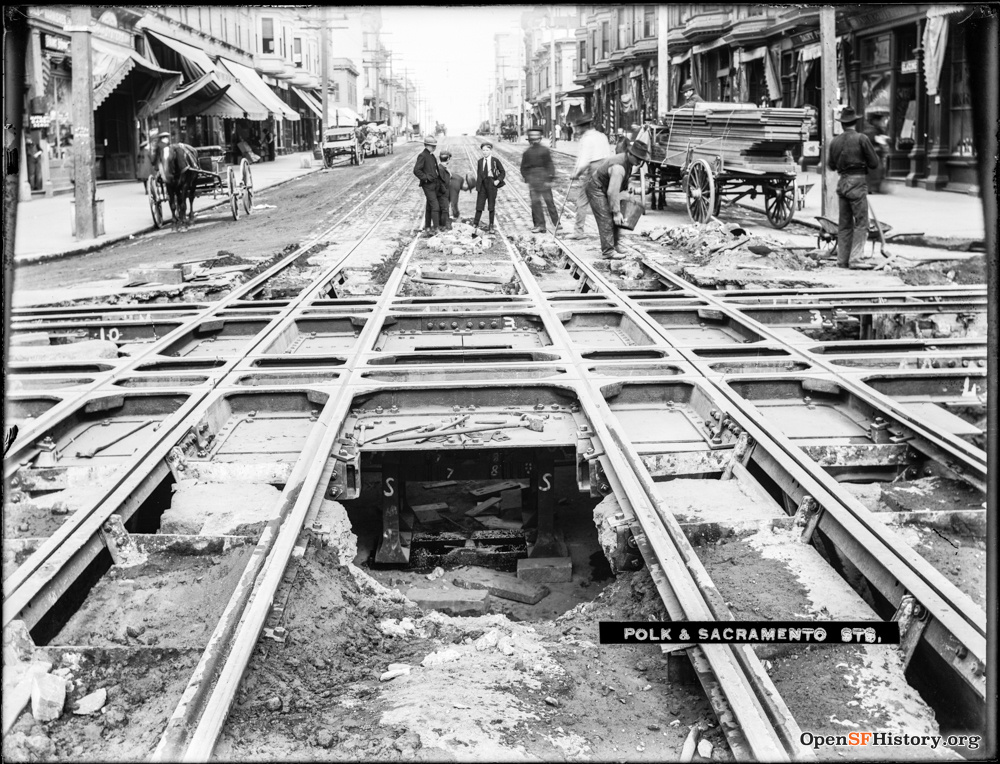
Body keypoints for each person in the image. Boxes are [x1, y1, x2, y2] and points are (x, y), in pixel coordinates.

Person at [827, 106, 880, 269]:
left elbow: (831, 165)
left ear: (842, 124)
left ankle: (842, 260)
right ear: (855, 122)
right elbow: (874, 163)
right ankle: (856, 259)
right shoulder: (862, 139)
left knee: (844, 224)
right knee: (862, 222)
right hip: (857, 183)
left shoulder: (835, 141)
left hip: (842, 183)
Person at [586, 139, 651, 259]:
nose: (639, 162)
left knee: (617, 219)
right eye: (638, 159)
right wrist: (616, 212)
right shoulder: (618, 167)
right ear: (630, 154)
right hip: (597, 188)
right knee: (607, 218)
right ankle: (608, 251)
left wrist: (628, 190)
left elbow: (622, 183)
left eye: (641, 159)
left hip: (606, 187)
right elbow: (612, 192)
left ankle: (614, 246)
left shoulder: (629, 162)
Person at [565, 113, 611, 240]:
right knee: (602, 201)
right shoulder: (602, 136)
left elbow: (584, 161)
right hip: (606, 169)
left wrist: (576, 174)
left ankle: (578, 232)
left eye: (578, 127)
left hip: (594, 170)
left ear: (583, 127)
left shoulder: (586, 139)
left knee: (582, 201)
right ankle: (609, 231)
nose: (577, 130)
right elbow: (608, 155)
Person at [521, 127, 560, 234]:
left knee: (540, 202)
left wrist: (527, 178)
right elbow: (549, 165)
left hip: (538, 178)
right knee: (543, 202)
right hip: (540, 178)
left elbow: (524, 168)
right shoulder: (532, 152)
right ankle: (550, 224)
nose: (534, 141)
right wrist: (550, 177)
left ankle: (544, 224)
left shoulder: (531, 152)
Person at [472, 140, 505, 234]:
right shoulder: (480, 161)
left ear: (491, 151)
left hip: (491, 184)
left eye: (487, 150)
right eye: (483, 150)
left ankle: (491, 225)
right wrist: (478, 185)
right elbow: (479, 174)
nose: (485, 152)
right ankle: (475, 224)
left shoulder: (495, 161)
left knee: (491, 206)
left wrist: (498, 180)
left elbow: (502, 172)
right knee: (479, 205)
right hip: (482, 185)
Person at [413, 135, 442, 236]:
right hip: (428, 185)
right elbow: (416, 170)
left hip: (434, 184)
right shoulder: (423, 155)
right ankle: (436, 229)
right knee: (435, 206)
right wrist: (425, 178)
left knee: (430, 206)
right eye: (433, 145)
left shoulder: (431, 155)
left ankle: (428, 227)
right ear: (427, 145)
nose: (435, 147)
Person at [862, 113, 889, 194]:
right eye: (880, 120)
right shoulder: (870, 129)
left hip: (876, 153)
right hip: (872, 153)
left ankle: (873, 187)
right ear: (875, 121)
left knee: (876, 170)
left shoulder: (878, 129)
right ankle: (871, 188)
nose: (881, 122)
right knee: (875, 170)